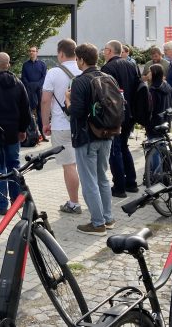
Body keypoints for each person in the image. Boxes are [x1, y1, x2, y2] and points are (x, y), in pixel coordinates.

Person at [65, 43, 115, 235]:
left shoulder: (80, 81)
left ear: (82, 60)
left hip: (86, 137)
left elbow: (76, 112)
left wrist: (67, 100)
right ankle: (108, 218)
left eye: (77, 59)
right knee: (102, 177)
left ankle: (97, 223)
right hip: (107, 133)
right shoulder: (108, 77)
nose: (76, 62)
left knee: (89, 181)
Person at [0, 53, 31, 215]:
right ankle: (16, 202)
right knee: (14, 166)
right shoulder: (18, 83)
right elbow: (26, 109)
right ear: (8, 65)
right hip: (13, 133)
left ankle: (1, 204)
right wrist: (23, 129)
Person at [42, 38, 83, 215]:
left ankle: (74, 203)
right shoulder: (84, 69)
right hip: (83, 124)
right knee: (87, 166)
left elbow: (45, 100)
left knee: (69, 165)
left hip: (61, 125)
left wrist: (45, 123)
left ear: (60, 53)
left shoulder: (53, 73)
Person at [101, 40, 140, 198]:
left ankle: (119, 187)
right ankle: (131, 182)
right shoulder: (131, 65)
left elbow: (106, 94)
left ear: (110, 51)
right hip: (131, 112)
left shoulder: (107, 68)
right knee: (124, 146)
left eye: (104, 49)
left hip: (115, 114)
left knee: (115, 149)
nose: (103, 52)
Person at [21, 46, 48, 142]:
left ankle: (43, 134)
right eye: (30, 51)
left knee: (40, 113)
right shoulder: (25, 65)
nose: (31, 52)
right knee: (29, 112)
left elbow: (44, 77)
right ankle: (30, 135)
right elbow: (23, 77)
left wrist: (36, 85)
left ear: (37, 52)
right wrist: (30, 86)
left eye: (33, 51)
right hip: (29, 91)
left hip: (39, 91)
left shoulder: (42, 64)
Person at [145, 64, 172, 138]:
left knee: (155, 145)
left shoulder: (154, 90)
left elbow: (150, 108)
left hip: (155, 123)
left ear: (154, 73)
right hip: (164, 120)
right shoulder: (166, 86)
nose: (148, 74)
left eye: (150, 72)